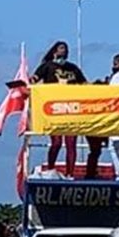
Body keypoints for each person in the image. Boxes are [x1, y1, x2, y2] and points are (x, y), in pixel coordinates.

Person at [31, 41, 86, 178]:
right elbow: (34, 79)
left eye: (66, 49)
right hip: (54, 109)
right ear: (55, 50)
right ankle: (50, 168)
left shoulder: (73, 68)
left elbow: (85, 84)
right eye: (62, 48)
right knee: (56, 142)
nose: (64, 51)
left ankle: (70, 174)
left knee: (71, 142)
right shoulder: (46, 66)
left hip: (72, 109)